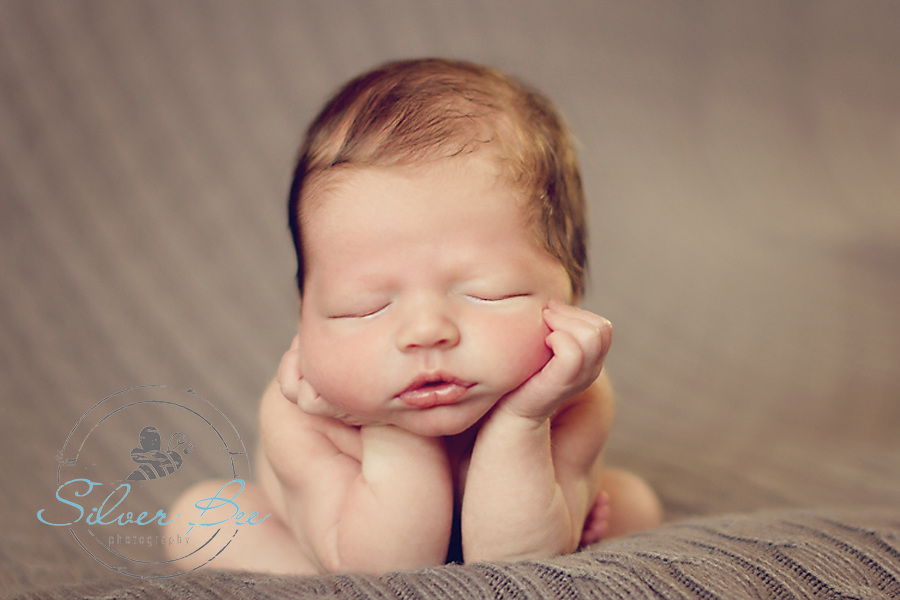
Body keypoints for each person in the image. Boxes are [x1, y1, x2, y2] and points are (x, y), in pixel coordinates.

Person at [167, 58, 662, 575]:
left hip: (515, 533)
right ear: (305, 315)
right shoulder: (301, 417)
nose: (425, 332)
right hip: (351, 549)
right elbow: (389, 571)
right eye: (364, 306)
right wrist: (382, 426)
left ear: (572, 291)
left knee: (635, 504)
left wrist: (523, 420)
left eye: (489, 294)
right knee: (201, 523)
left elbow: (515, 566)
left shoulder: (572, 400)